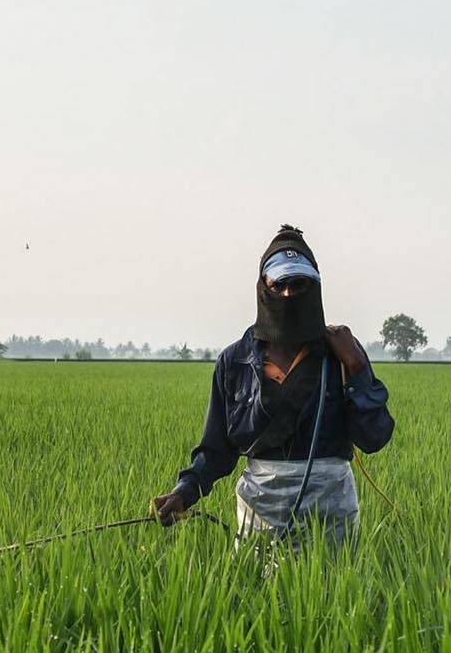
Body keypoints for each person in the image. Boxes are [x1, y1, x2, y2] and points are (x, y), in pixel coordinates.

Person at [151, 225, 394, 547]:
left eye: (299, 284)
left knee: (331, 592)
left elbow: (374, 437)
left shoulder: (340, 353)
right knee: (257, 591)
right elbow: (217, 448)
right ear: (263, 287)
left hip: (331, 508)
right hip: (260, 507)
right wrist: (185, 492)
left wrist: (357, 369)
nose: (289, 294)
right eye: (279, 284)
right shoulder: (235, 361)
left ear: (316, 287)